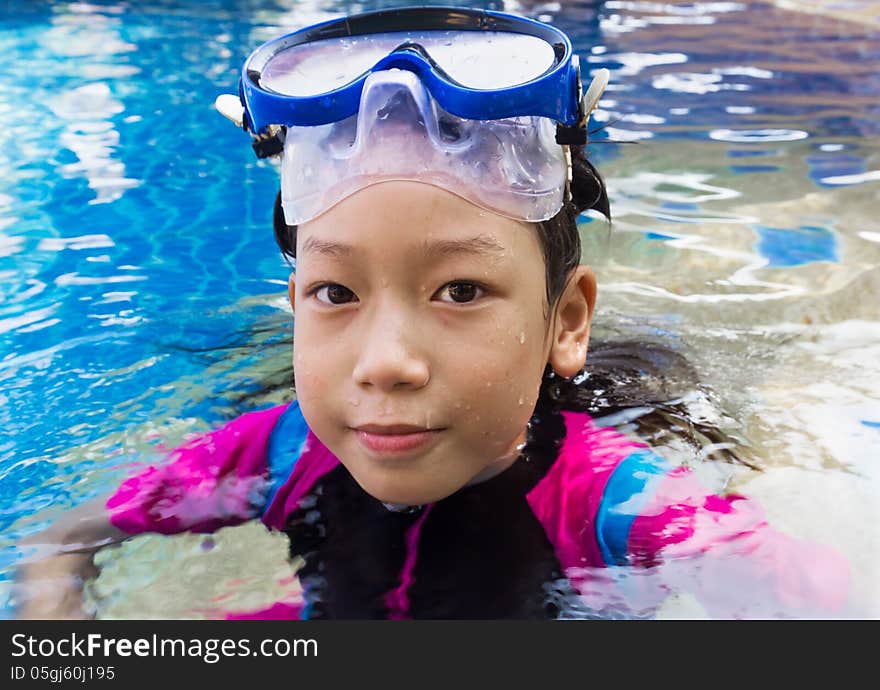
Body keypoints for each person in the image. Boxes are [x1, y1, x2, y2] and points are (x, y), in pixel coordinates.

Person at [14, 6, 849, 620]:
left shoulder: (611, 495)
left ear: (565, 324)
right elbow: (61, 539)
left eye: (460, 291)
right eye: (334, 293)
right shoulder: (274, 452)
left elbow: (813, 604)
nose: (385, 362)